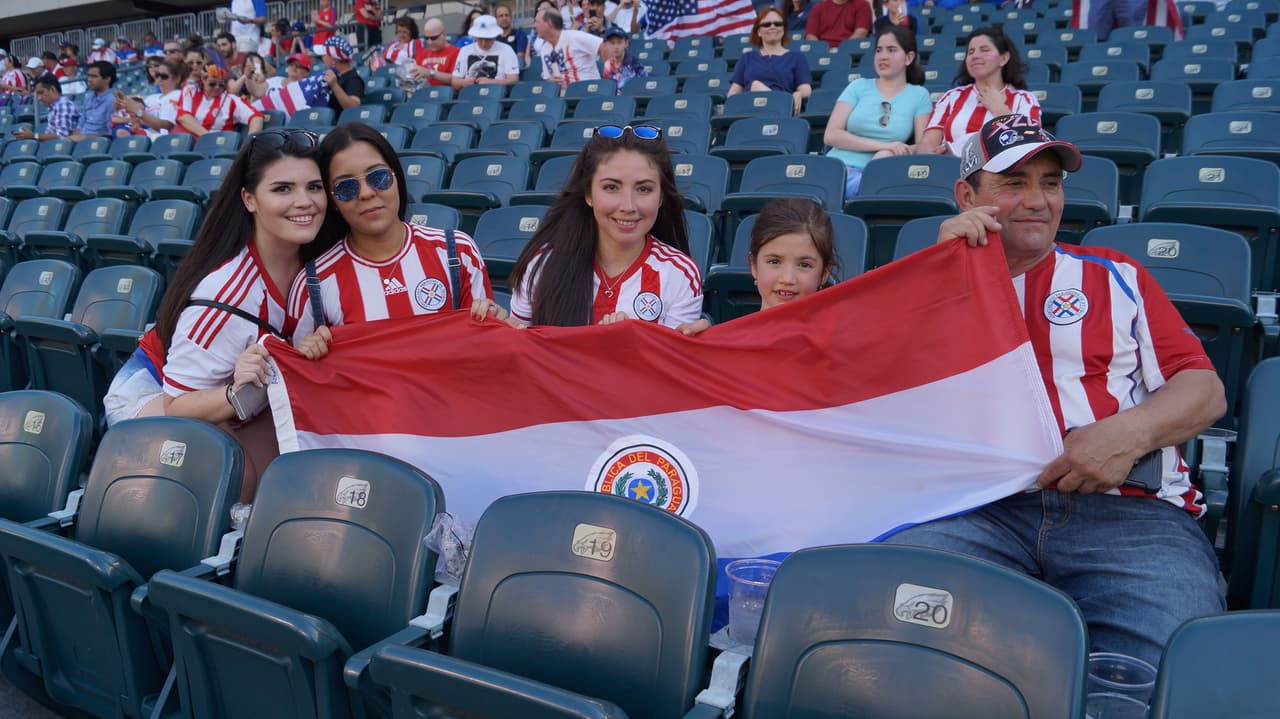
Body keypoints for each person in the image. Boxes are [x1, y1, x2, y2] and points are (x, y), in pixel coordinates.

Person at [884, 113, 1227, 669]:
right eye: (1014, 183)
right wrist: (938, 276)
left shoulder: (1116, 275)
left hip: (1130, 519)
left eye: (1051, 182)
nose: (1038, 201)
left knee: (1162, 669)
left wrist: (1125, 434)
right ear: (966, 194)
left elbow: (1205, 391)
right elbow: (869, 392)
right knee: (894, 636)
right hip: (975, 512)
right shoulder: (921, 287)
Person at [135, 128, 325, 500]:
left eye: (314, 187)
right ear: (249, 199)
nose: (304, 201)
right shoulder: (227, 293)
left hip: (232, 393)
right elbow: (175, 404)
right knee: (240, 482)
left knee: (293, 471)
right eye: (282, 189)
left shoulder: (320, 264)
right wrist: (236, 393)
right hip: (156, 392)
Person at [287, 122, 493, 357]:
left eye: (378, 177)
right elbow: (304, 378)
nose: (366, 193)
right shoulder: (313, 283)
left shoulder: (457, 252)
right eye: (346, 187)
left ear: (396, 176)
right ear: (332, 200)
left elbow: (484, 348)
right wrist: (305, 353)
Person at [506, 124, 702, 328]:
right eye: (611, 187)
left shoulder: (679, 274)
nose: (628, 206)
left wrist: (634, 342)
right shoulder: (543, 264)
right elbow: (521, 351)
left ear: (661, 197)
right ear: (589, 194)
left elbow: (672, 358)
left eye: (644, 189)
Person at [678, 197, 838, 336]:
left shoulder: (838, 349)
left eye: (804, 265)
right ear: (754, 265)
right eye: (774, 262)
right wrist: (693, 346)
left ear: (824, 273)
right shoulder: (727, 342)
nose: (788, 278)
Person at [824, 26, 932, 199]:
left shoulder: (919, 95)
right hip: (836, 167)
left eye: (891, 50)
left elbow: (924, 146)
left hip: (881, 174)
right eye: (879, 50)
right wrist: (884, 146)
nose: (883, 57)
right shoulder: (858, 86)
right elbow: (831, 135)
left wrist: (887, 155)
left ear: (909, 57)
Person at [919, 27, 1040, 156]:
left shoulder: (1024, 99)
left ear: (1004, 58)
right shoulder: (951, 97)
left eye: (984, 50)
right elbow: (928, 143)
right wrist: (929, 153)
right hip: (952, 170)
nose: (975, 56)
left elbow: (1030, 142)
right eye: (970, 52)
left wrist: (999, 109)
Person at [729, 7, 813, 116]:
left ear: (783, 30)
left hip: (781, 112)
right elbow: (732, 94)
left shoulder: (796, 57)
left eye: (778, 24)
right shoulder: (747, 58)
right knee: (755, 85)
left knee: (757, 86)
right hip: (750, 111)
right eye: (766, 24)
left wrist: (798, 94)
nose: (772, 27)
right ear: (758, 31)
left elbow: (806, 89)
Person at [175, 64, 264, 136]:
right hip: (188, 142)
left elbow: (256, 117)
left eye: (221, 85)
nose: (217, 87)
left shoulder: (231, 99)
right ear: (204, 80)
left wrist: (250, 145)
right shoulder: (190, 90)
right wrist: (207, 136)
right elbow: (183, 117)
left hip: (216, 147)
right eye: (212, 84)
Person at [114, 58, 188, 139]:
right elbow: (135, 115)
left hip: (163, 139)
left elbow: (166, 126)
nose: (159, 79)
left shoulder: (177, 95)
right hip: (146, 135)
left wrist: (138, 112)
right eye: (157, 75)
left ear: (177, 78)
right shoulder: (152, 98)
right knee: (120, 130)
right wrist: (121, 104)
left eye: (164, 76)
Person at [534, 8, 604, 87]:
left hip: (588, 91)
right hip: (563, 96)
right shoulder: (545, 49)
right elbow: (547, 77)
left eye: (537, 22)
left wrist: (608, 76)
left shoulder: (574, 37)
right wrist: (550, 80)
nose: (534, 26)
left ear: (549, 24)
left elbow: (603, 46)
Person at [452, 14, 521, 88]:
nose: (484, 43)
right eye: (480, 38)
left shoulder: (507, 50)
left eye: (488, 39)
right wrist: (463, 83)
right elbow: (455, 81)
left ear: (495, 36)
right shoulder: (465, 51)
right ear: (475, 36)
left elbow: (513, 80)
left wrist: (492, 82)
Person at [10, 76, 78, 140]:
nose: (39, 98)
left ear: (52, 89)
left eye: (41, 92)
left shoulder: (63, 105)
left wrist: (33, 136)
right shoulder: (55, 107)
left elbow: (62, 136)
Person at [314, 36, 364, 112]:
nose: (322, 59)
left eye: (324, 55)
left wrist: (334, 85)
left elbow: (354, 107)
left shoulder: (353, 80)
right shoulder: (337, 76)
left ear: (333, 59)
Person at [410, 17, 460, 87]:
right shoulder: (423, 54)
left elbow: (456, 79)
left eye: (433, 38)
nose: (429, 42)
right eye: (426, 38)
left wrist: (430, 73)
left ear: (444, 34)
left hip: (445, 94)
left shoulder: (456, 52)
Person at [805, 0, 872, 50]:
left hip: (850, 51)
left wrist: (841, 49)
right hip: (823, 52)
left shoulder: (862, 5)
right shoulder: (818, 7)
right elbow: (811, 36)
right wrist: (823, 50)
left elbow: (861, 33)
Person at [75, 61, 116, 139]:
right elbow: (80, 126)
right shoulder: (88, 98)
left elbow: (110, 132)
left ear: (107, 79)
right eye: (89, 76)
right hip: (80, 143)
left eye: (94, 76)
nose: (89, 80)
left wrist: (86, 137)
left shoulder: (112, 100)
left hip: (97, 144)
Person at [600, 27, 647, 91]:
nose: (616, 47)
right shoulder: (607, 64)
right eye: (612, 43)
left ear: (626, 43)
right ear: (606, 45)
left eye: (619, 42)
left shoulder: (635, 63)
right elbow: (607, 88)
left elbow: (642, 87)